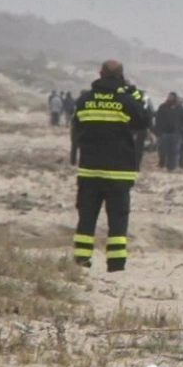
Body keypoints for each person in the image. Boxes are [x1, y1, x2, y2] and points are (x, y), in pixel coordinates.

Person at [70, 60, 148, 272]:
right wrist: (136, 96)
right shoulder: (125, 100)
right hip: (118, 173)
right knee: (117, 221)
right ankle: (115, 265)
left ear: (100, 74)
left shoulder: (84, 100)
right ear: (121, 77)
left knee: (86, 219)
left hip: (89, 172)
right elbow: (143, 121)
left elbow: (77, 127)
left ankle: (81, 261)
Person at [153, 92, 183, 172]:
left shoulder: (179, 108)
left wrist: (181, 129)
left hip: (176, 133)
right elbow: (158, 119)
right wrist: (158, 132)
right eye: (169, 96)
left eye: (172, 97)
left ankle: (172, 167)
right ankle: (163, 164)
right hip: (164, 133)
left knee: (174, 151)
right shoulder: (162, 107)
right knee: (163, 151)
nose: (170, 98)